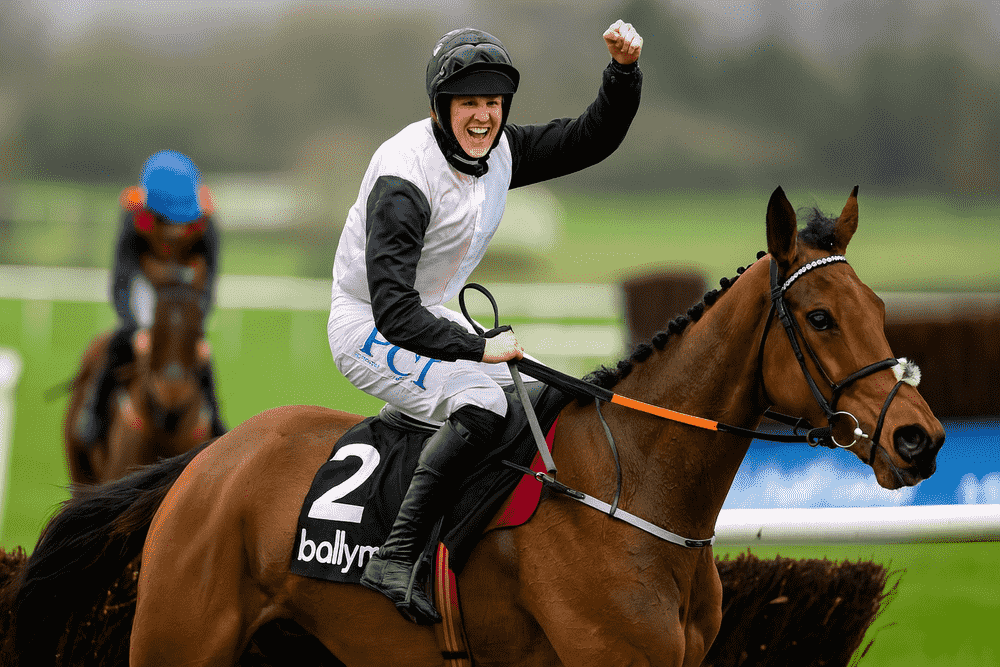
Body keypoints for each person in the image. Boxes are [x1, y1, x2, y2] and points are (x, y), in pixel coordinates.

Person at [327, 20, 643, 624]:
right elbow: (393, 311)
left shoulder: (500, 151)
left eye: (493, 104)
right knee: (482, 401)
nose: (483, 118)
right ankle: (395, 556)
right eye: (469, 103)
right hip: (368, 321)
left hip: (427, 316)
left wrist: (621, 74)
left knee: (538, 398)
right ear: (440, 108)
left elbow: (588, 139)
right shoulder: (404, 177)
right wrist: (477, 351)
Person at [73, 150, 226, 446]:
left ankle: (216, 422)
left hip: (185, 285)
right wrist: (135, 328)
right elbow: (121, 281)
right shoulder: (133, 215)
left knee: (201, 355)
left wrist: (199, 328)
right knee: (119, 342)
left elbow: (209, 285)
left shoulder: (206, 221)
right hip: (146, 280)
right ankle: (93, 416)